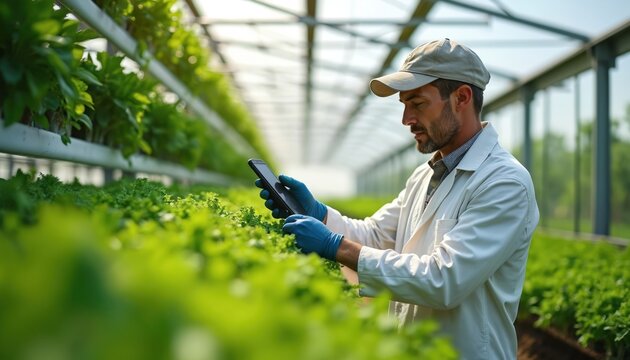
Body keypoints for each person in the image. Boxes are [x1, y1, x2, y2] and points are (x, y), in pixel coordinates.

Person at [256, 38, 539, 360]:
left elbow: (444, 279)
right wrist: (320, 215)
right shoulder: (426, 174)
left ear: (461, 97)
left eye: (417, 104)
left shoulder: (503, 182)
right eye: (404, 105)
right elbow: (376, 237)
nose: (406, 119)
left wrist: (335, 246)